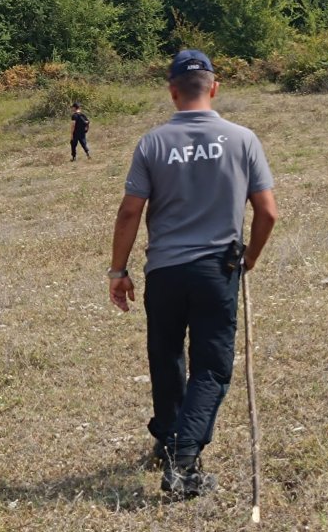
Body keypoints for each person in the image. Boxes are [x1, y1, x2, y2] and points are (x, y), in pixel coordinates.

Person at [107, 49, 278, 499]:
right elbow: (268, 213)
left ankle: (169, 443)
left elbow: (129, 213)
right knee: (213, 368)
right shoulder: (243, 140)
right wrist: (251, 258)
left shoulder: (152, 143)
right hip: (214, 271)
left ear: (172, 91)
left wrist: (118, 270)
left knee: (166, 357)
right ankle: (183, 459)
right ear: (215, 88)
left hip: (164, 272)